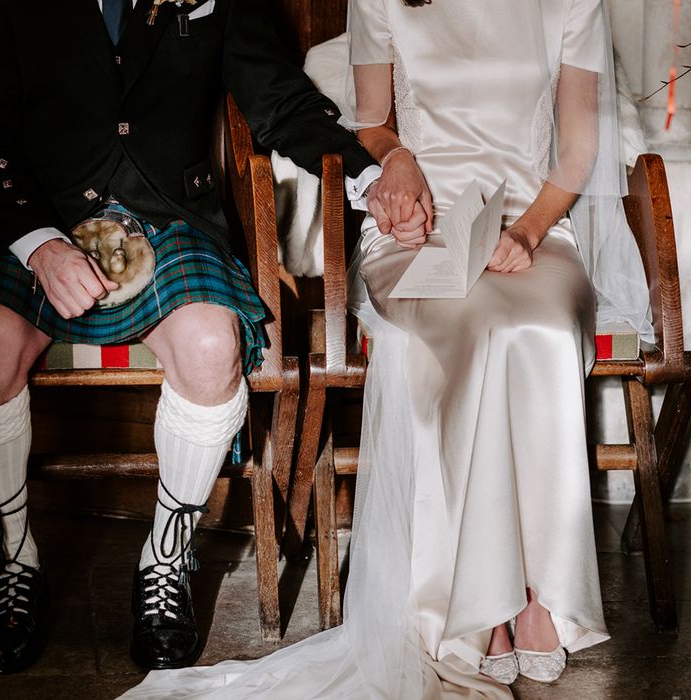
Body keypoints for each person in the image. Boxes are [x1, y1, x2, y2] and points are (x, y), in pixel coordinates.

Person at [121, 0, 651, 697]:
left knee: (541, 330)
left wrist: (525, 233)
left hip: (533, 226)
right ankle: (480, 604)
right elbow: (370, 124)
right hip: (416, 232)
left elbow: (579, 147)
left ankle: (538, 595)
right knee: (473, 328)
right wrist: (399, 172)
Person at [0, 0, 389, 675]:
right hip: (35, 217)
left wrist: (368, 174)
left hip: (169, 218)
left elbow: (276, 96)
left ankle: (167, 559)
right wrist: (38, 244)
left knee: (213, 346)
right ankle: (15, 557)